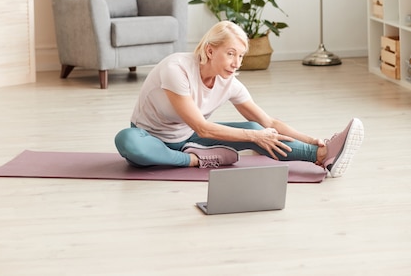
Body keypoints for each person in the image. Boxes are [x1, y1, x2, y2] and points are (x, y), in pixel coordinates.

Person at [115, 21, 364, 177]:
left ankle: (322, 156)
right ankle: (194, 159)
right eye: (231, 53)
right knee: (126, 141)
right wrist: (254, 136)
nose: (236, 63)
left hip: (187, 137)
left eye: (241, 56)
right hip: (150, 138)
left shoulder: (230, 83)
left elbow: (269, 122)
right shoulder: (176, 69)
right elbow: (201, 126)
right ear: (210, 50)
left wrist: (312, 140)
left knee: (257, 128)